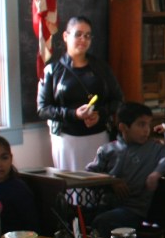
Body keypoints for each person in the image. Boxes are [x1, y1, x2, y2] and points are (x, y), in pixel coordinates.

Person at [38, 16, 124, 171]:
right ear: (66, 36)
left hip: (98, 135)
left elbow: (118, 101)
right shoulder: (52, 70)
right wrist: (73, 114)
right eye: (78, 34)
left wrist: (100, 114)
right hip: (66, 139)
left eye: (87, 35)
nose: (83, 40)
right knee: (72, 185)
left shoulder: (102, 68)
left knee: (97, 184)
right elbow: (43, 109)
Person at [85, 102, 165, 237]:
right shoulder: (108, 149)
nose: (146, 130)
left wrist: (156, 173)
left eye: (148, 124)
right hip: (105, 204)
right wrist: (111, 181)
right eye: (141, 124)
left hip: (133, 210)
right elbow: (89, 174)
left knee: (103, 222)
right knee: (75, 216)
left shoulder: (153, 148)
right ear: (123, 127)